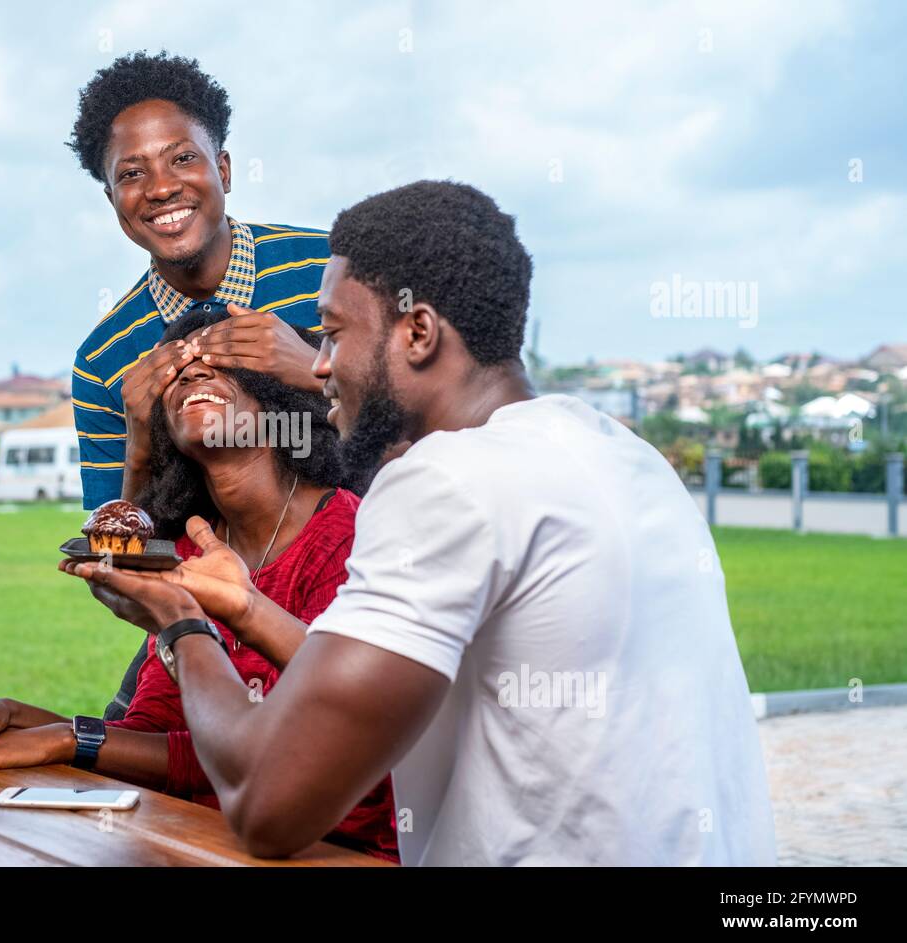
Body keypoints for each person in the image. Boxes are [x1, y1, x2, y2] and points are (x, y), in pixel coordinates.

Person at [63, 179, 778, 866]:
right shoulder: (622, 454)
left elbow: (265, 806)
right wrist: (244, 607)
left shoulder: (444, 483)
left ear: (419, 333)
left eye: (333, 335)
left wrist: (183, 625)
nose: (316, 369)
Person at [0, 309, 398, 862]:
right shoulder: (187, 554)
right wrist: (11, 715)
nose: (193, 374)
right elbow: (148, 732)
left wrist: (67, 738)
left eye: (221, 362)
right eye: (177, 369)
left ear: (277, 399)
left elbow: (308, 763)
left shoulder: (349, 535)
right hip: (205, 841)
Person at [66, 51, 335, 719]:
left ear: (223, 169)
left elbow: (437, 433)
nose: (160, 187)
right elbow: (116, 575)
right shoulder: (105, 358)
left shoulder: (330, 272)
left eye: (182, 159)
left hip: (358, 582)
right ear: (111, 199)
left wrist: (313, 369)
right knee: (124, 739)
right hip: (204, 603)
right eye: (132, 173)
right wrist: (138, 437)